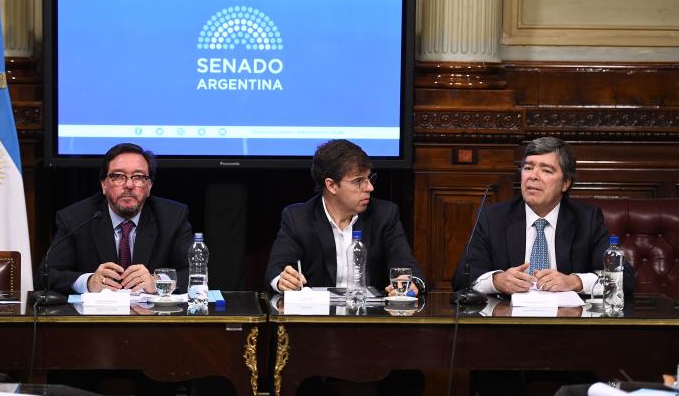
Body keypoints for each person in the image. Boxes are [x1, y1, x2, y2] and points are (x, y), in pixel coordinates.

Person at [453, 136, 634, 296]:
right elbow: (462, 278)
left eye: (546, 170)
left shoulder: (587, 219)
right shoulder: (492, 217)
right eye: (528, 167)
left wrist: (575, 282)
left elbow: (622, 278)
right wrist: (497, 281)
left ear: (565, 183)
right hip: (508, 322)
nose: (533, 176)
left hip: (568, 324)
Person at [265, 139, 425, 296]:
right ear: (331, 185)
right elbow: (275, 270)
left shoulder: (384, 215)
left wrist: (411, 282)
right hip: (316, 316)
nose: (370, 187)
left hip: (369, 316)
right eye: (358, 181)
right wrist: (282, 280)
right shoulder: (298, 218)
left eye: (369, 178)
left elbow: (406, 266)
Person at [34, 143, 193, 295]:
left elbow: (195, 273)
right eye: (118, 176)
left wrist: (158, 281)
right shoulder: (76, 218)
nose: (129, 185)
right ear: (103, 184)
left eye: (138, 177)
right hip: (96, 320)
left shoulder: (172, 217)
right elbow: (45, 276)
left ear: (149, 186)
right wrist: (88, 282)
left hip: (154, 320)